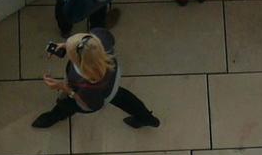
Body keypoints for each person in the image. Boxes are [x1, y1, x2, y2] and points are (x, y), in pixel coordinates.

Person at [29, 28, 162, 129]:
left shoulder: (87, 84)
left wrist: (64, 88)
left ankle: (55, 116)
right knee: (123, 98)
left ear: (79, 60)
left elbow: (91, 105)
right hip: (111, 80)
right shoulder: (97, 39)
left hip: (91, 95)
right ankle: (147, 118)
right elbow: (98, 42)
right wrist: (67, 45)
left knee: (66, 103)